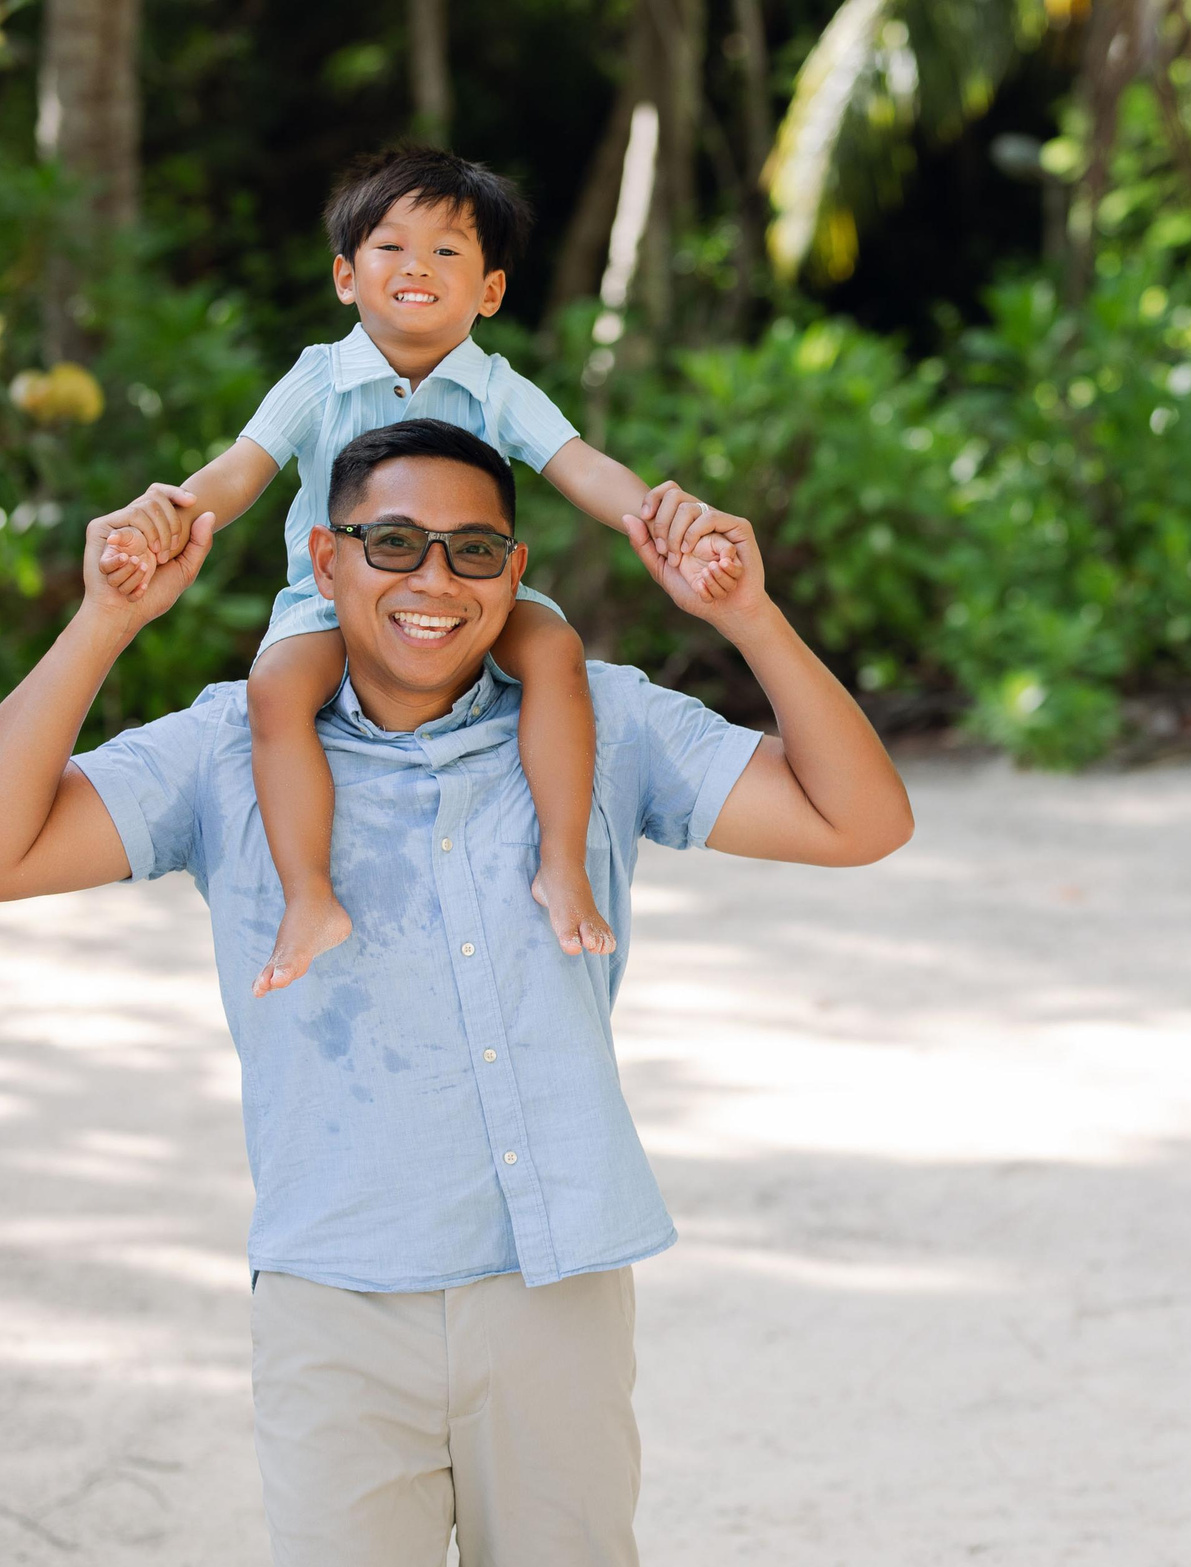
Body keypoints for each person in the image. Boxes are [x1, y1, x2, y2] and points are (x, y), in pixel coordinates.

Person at [0, 419, 912, 1567]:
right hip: (334, 1299)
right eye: (393, 544)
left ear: (516, 565)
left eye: (473, 550)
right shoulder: (224, 750)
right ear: (325, 558)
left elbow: (864, 820)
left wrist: (754, 619)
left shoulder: (599, 722)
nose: (435, 581)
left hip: (552, 1289)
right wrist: (101, 626)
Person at [93, 143, 735, 997]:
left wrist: (661, 520)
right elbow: (240, 469)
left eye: (447, 251)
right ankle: (309, 894)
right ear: (345, 276)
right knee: (277, 686)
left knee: (555, 651)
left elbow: (580, 464)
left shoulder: (499, 388)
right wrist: (169, 514)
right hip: (335, 601)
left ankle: (562, 862)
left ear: (491, 291)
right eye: (391, 246)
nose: (416, 267)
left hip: (475, 588)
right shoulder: (318, 377)